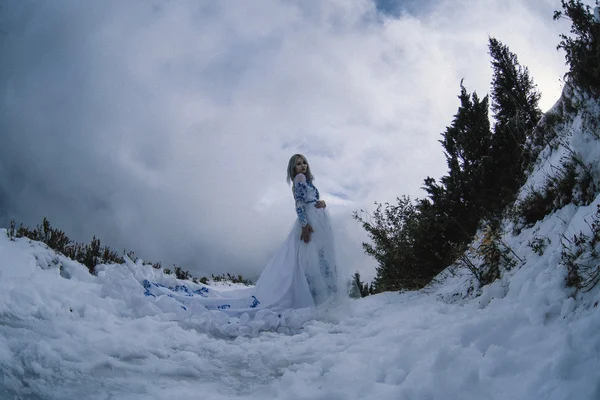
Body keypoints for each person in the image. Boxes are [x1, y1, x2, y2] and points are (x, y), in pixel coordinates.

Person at [138, 154, 340, 315]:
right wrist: (305, 225)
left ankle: (316, 295)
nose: (303, 166)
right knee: (309, 259)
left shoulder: (307, 180)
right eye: (298, 164)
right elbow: (298, 204)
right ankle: (317, 296)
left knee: (310, 259)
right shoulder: (300, 179)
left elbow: (310, 199)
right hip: (310, 224)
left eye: (304, 162)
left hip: (316, 219)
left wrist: (321, 203)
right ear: (293, 169)